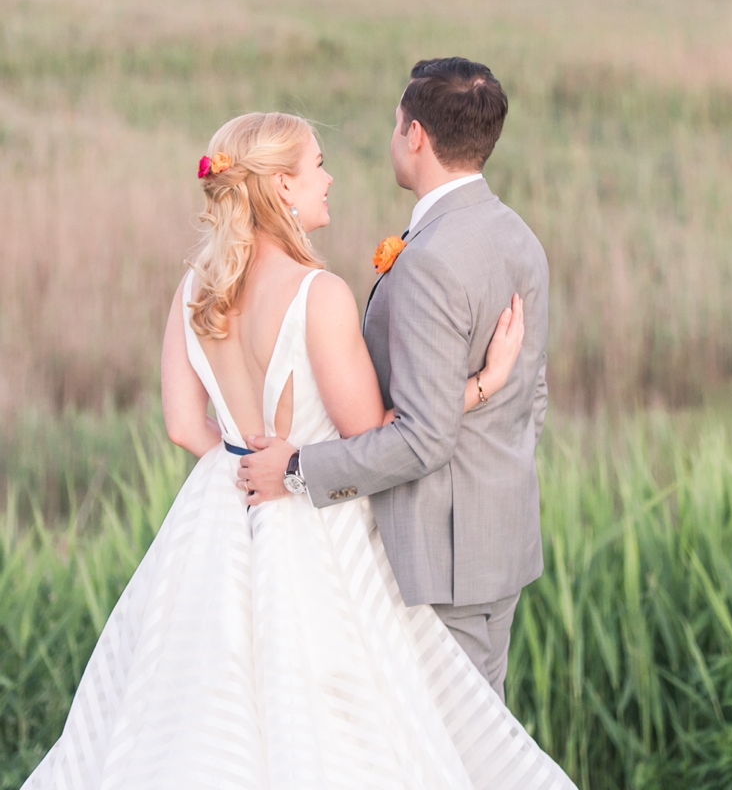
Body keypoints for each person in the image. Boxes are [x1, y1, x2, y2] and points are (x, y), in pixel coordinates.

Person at [24, 107, 574, 788]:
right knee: (347, 720)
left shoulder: (196, 287)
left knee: (196, 712)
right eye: (317, 166)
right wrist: (486, 382)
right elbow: (376, 433)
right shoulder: (320, 295)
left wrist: (240, 466)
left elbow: (181, 426)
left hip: (218, 515)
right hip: (314, 528)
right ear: (282, 186)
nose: (329, 179)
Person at [238, 58, 551, 698]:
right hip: (499, 538)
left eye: (394, 124)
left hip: (442, 561)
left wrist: (297, 469)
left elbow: (424, 438)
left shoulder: (430, 260)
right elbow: (533, 395)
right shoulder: (520, 239)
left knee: (450, 752)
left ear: (415, 136)